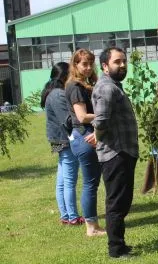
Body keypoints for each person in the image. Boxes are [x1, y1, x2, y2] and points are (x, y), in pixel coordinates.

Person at [92, 47, 138, 259]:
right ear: (105, 66)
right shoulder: (106, 88)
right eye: (117, 61)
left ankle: (120, 244)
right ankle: (116, 250)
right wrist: (99, 137)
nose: (122, 65)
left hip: (123, 152)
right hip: (115, 153)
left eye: (124, 61)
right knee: (116, 203)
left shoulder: (114, 86)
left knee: (123, 200)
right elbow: (100, 120)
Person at [65, 48, 105, 236]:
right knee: (90, 183)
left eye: (91, 63)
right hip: (85, 137)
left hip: (85, 136)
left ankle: (93, 224)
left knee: (92, 182)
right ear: (75, 65)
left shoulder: (86, 84)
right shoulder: (75, 86)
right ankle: (92, 227)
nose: (88, 68)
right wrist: (105, 115)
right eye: (84, 64)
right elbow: (81, 116)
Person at [42, 62, 81, 226]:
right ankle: (72, 217)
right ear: (64, 76)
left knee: (62, 180)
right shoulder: (58, 94)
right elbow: (67, 120)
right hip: (64, 140)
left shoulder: (52, 93)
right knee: (68, 181)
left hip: (58, 139)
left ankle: (66, 215)